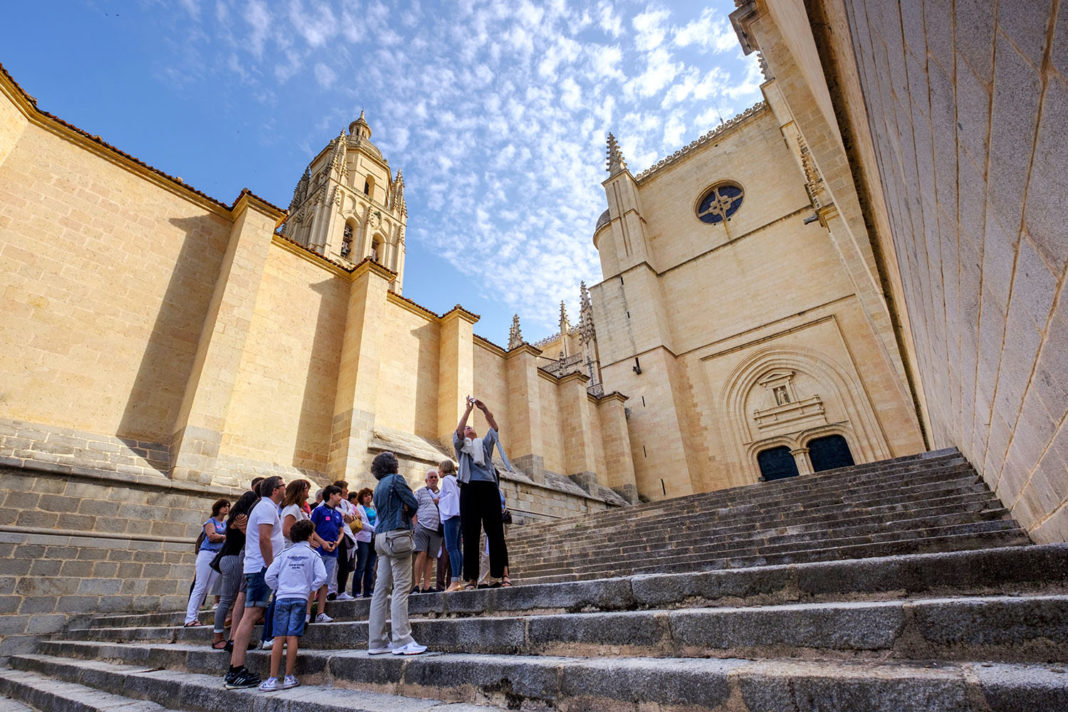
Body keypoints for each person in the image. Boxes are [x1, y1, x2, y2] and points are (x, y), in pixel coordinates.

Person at [224, 475, 285, 690]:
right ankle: (236, 670)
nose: (285, 488)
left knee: (251, 615)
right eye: (283, 486)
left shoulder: (264, 507)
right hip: (261, 568)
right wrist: (271, 567)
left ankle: (235, 668)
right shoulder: (266, 507)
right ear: (275, 490)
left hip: (257, 567)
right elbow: (264, 538)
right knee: (250, 616)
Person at [366, 451, 426, 655]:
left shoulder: (378, 486)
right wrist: (406, 510)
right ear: (393, 466)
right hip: (397, 535)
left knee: (380, 589)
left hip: (380, 537)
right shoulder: (396, 479)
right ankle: (402, 640)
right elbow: (414, 503)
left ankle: (377, 642)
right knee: (401, 587)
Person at [259, 519, 327, 692]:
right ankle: (289, 676)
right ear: (310, 536)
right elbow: (322, 576)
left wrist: (279, 588)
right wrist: (309, 588)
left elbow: (269, 576)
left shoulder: (284, 554)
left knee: (278, 638)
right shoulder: (313, 555)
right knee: (292, 637)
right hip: (300, 598)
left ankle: (272, 678)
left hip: (282, 597)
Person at [453, 397, 510, 589]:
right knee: (470, 534)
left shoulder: (483, 445)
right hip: (469, 488)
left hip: (488, 487)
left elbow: (494, 428)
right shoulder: (461, 448)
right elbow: (458, 433)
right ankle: (471, 579)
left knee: (495, 532)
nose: (468, 428)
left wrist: (485, 410)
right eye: (466, 428)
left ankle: (500, 575)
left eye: (471, 427)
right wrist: (468, 411)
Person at [211, 490, 258, 650]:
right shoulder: (241, 517)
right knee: (226, 600)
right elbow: (251, 536)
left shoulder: (235, 516)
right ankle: (217, 638)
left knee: (233, 599)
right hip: (233, 559)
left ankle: (233, 636)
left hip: (231, 559)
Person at [184, 499, 229, 627]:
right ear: (218, 508)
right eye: (224, 506)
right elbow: (211, 536)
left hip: (217, 555)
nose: (226, 508)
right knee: (200, 585)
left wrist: (221, 537)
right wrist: (225, 537)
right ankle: (189, 618)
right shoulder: (211, 522)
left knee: (206, 587)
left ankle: (195, 616)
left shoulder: (225, 523)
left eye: (228, 506)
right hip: (207, 554)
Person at [309, 484, 344, 623]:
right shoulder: (319, 511)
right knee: (314, 581)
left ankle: (320, 612)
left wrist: (337, 543)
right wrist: (322, 542)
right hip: (319, 551)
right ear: (331, 495)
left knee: (326, 583)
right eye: (338, 495)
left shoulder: (338, 514)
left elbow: (341, 531)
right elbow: (311, 529)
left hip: (332, 552)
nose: (340, 498)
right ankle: (307, 612)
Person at [412, 469, 443, 594]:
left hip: (437, 530)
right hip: (422, 527)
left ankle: (426, 586)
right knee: (421, 554)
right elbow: (413, 508)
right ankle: (416, 585)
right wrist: (416, 525)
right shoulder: (420, 492)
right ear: (426, 480)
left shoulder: (442, 493)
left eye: (435, 477)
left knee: (430, 557)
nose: (434, 479)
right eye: (431, 477)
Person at [438, 460, 463, 592]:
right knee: (457, 548)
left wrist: (439, 500)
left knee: (451, 548)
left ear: (444, 469)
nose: (438, 472)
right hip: (459, 516)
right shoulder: (456, 479)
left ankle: (454, 581)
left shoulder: (447, 479)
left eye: (439, 469)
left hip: (451, 515)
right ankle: (458, 579)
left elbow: (451, 497)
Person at [332, 480, 359, 601]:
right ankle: (333, 590)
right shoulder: (331, 502)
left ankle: (341, 590)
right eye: (344, 488)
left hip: (348, 535)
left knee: (346, 564)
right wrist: (344, 514)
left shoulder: (346, 503)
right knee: (336, 564)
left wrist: (348, 516)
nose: (347, 491)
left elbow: (351, 518)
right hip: (337, 535)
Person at [350, 488, 377, 598]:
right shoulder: (359, 508)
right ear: (361, 498)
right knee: (361, 565)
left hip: (374, 539)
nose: (368, 497)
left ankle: (368, 590)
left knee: (370, 567)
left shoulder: (374, 508)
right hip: (362, 539)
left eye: (369, 495)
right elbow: (362, 524)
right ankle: (356, 591)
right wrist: (374, 529)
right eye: (365, 496)